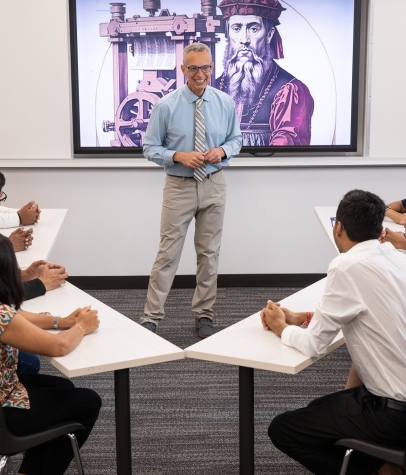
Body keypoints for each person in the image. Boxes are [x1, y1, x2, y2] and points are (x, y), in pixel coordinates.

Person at [261, 190, 406, 475]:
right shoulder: (399, 259)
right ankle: (385, 464)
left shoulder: (346, 265)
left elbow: (314, 345)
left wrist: (282, 327)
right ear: (381, 228)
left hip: (393, 414)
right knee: (321, 407)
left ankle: (380, 472)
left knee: (285, 428)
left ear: (338, 227)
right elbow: (376, 311)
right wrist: (303, 316)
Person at [141, 42, 242, 338]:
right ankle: (151, 318)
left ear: (213, 68)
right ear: (183, 69)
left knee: (209, 253)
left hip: (214, 184)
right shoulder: (166, 106)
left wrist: (222, 151)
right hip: (179, 186)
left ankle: (204, 315)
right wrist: (178, 156)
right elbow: (149, 147)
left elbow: (236, 139)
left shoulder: (225, 102)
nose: (201, 74)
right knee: (167, 254)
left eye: (206, 67)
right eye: (194, 68)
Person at [0, 233, 101, 475]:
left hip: (5, 387)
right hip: (5, 412)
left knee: (64, 388)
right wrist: (81, 327)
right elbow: (59, 347)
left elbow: (17, 317)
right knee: (89, 401)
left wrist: (60, 321)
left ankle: (29, 471)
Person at [217, 0, 314, 147]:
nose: (244, 40)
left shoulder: (289, 90)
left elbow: (286, 149)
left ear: (269, 35)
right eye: (236, 28)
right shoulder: (213, 86)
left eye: (253, 28)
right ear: (228, 34)